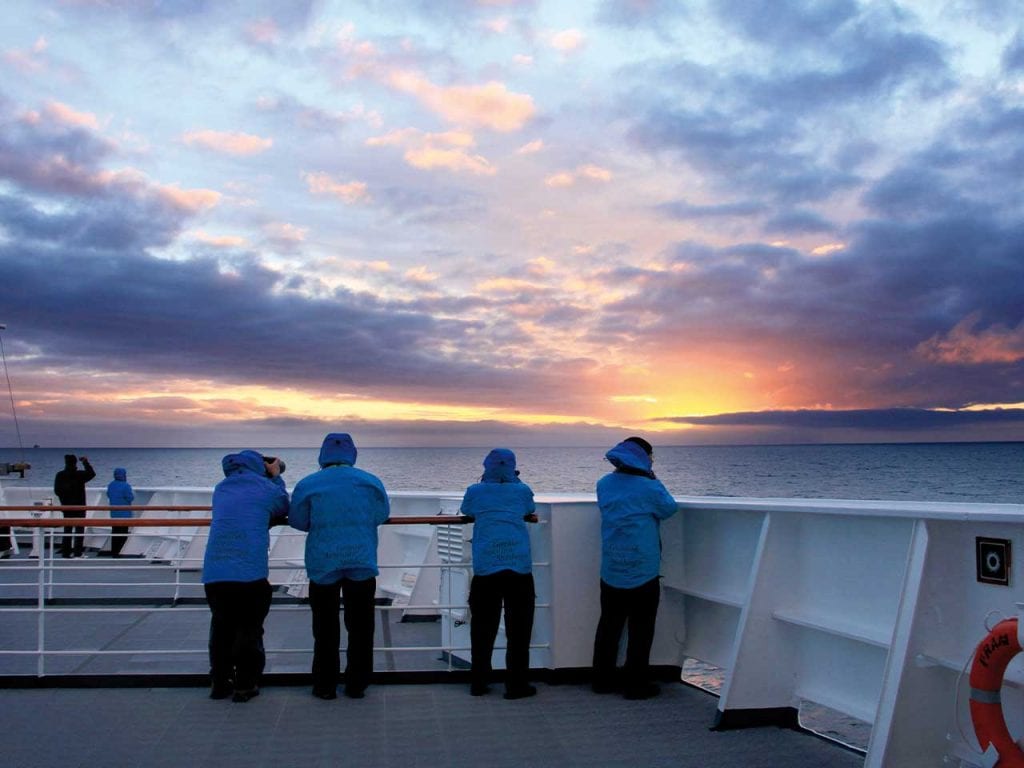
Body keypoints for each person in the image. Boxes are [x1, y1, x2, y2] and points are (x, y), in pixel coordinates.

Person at [289, 433, 390, 700]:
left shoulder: (308, 484)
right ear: (352, 453)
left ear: (322, 455)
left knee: (324, 627)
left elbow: (297, 520)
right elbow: (381, 515)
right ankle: (357, 684)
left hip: (324, 563)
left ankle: (325, 685)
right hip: (361, 560)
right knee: (361, 627)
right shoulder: (371, 482)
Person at [592, 436, 678, 700]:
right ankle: (636, 684)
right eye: (651, 456)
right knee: (641, 629)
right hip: (643, 568)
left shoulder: (603, 484)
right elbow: (669, 509)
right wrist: (652, 477)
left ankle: (602, 680)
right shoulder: (649, 487)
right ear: (644, 457)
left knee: (609, 625)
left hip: (612, 565)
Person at [201, 450, 289, 702]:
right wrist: (276, 476)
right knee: (249, 629)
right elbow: (283, 506)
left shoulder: (221, 488)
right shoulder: (265, 488)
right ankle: (245, 684)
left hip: (215, 572)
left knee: (221, 628)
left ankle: (220, 683)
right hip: (249, 572)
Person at [461, 448, 538, 699]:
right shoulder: (522, 490)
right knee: (519, 630)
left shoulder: (475, 491)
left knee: (482, 628)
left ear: (487, 466)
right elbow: (529, 508)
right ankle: (516, 684)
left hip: (487, 567)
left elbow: (467, 510)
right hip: (518, 567)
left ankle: (479, 681)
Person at [54, 454, 96, 558]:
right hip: (80, 506)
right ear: (75, 463)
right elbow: (92, 474)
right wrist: (85, 462)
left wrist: (64, 498)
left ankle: (66, 552)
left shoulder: (60, 475)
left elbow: (57, 491)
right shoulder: (79, 475)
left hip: (66, 506)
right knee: (79, 530)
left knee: (67, 529)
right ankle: (78, 552)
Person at [105, 467, 134, 557]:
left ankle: (114, 552)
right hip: (124, 514)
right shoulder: (126, 486)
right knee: (123, 533)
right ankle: (121, 552)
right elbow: (130, 498)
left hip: (114, 513)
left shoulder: (111, 485)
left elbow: (108, 495)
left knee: (115, 532)